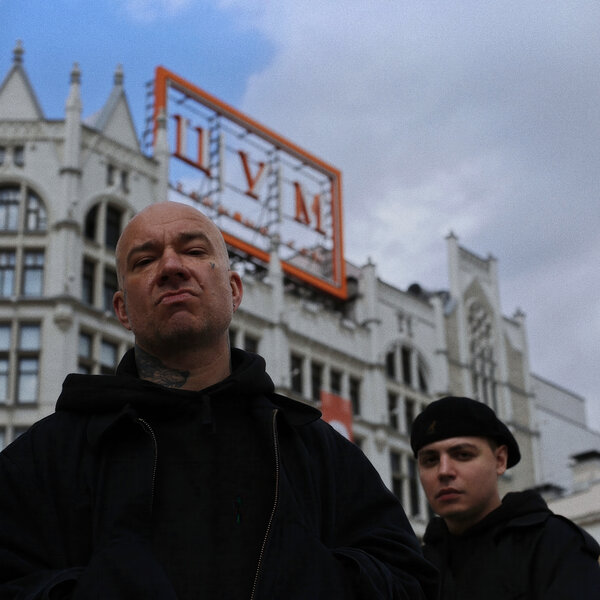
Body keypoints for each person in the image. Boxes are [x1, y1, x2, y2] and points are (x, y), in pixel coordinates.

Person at [0, 201, 438, 599]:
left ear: (234, 291)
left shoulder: (318, 453)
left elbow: (410, 582)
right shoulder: (46, 457)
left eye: (193, 251)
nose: (171, 266)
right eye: (145, 260)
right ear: (122, 309)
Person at [410, 395, 600, 600]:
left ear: (500, 460)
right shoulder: (416, 569)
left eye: (463, 455)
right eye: (430, 460)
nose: (444, 471)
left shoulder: (554, 544)